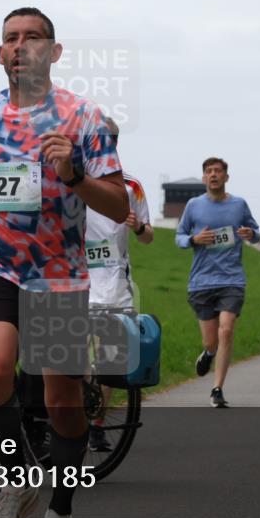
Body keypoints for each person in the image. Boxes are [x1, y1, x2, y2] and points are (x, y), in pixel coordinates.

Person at [0, 7, 128, 518]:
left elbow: (119, 206)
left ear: (54, 51)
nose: (20, 46)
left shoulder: (83, 117)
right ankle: (19, 481)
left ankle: (60, 512)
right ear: (0, 54)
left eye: (33, 38)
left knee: (62, 404)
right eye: (10, 39)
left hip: (56, 272)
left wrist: (74, 174)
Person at [85, 117, 153, 452]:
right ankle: (73, 421)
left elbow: (148, 236)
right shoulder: (75, 180)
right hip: (80, 282)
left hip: (115, 285)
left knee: (109, 358)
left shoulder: (131, 186)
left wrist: (138, 226)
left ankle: (96, 427)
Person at [175, 157, 260, 407]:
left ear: (226, 177)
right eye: (209, 171)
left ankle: (217, 389)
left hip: (232, 279)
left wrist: (251, 233)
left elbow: (256, 233)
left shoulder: (239, 205)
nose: (213, 174)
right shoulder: (194, 205)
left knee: (227, 329)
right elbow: (179, 237)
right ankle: (209, 353)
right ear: (204, 178)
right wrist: (194, 240)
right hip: (201, 281)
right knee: (211, 341)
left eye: (218, 171)